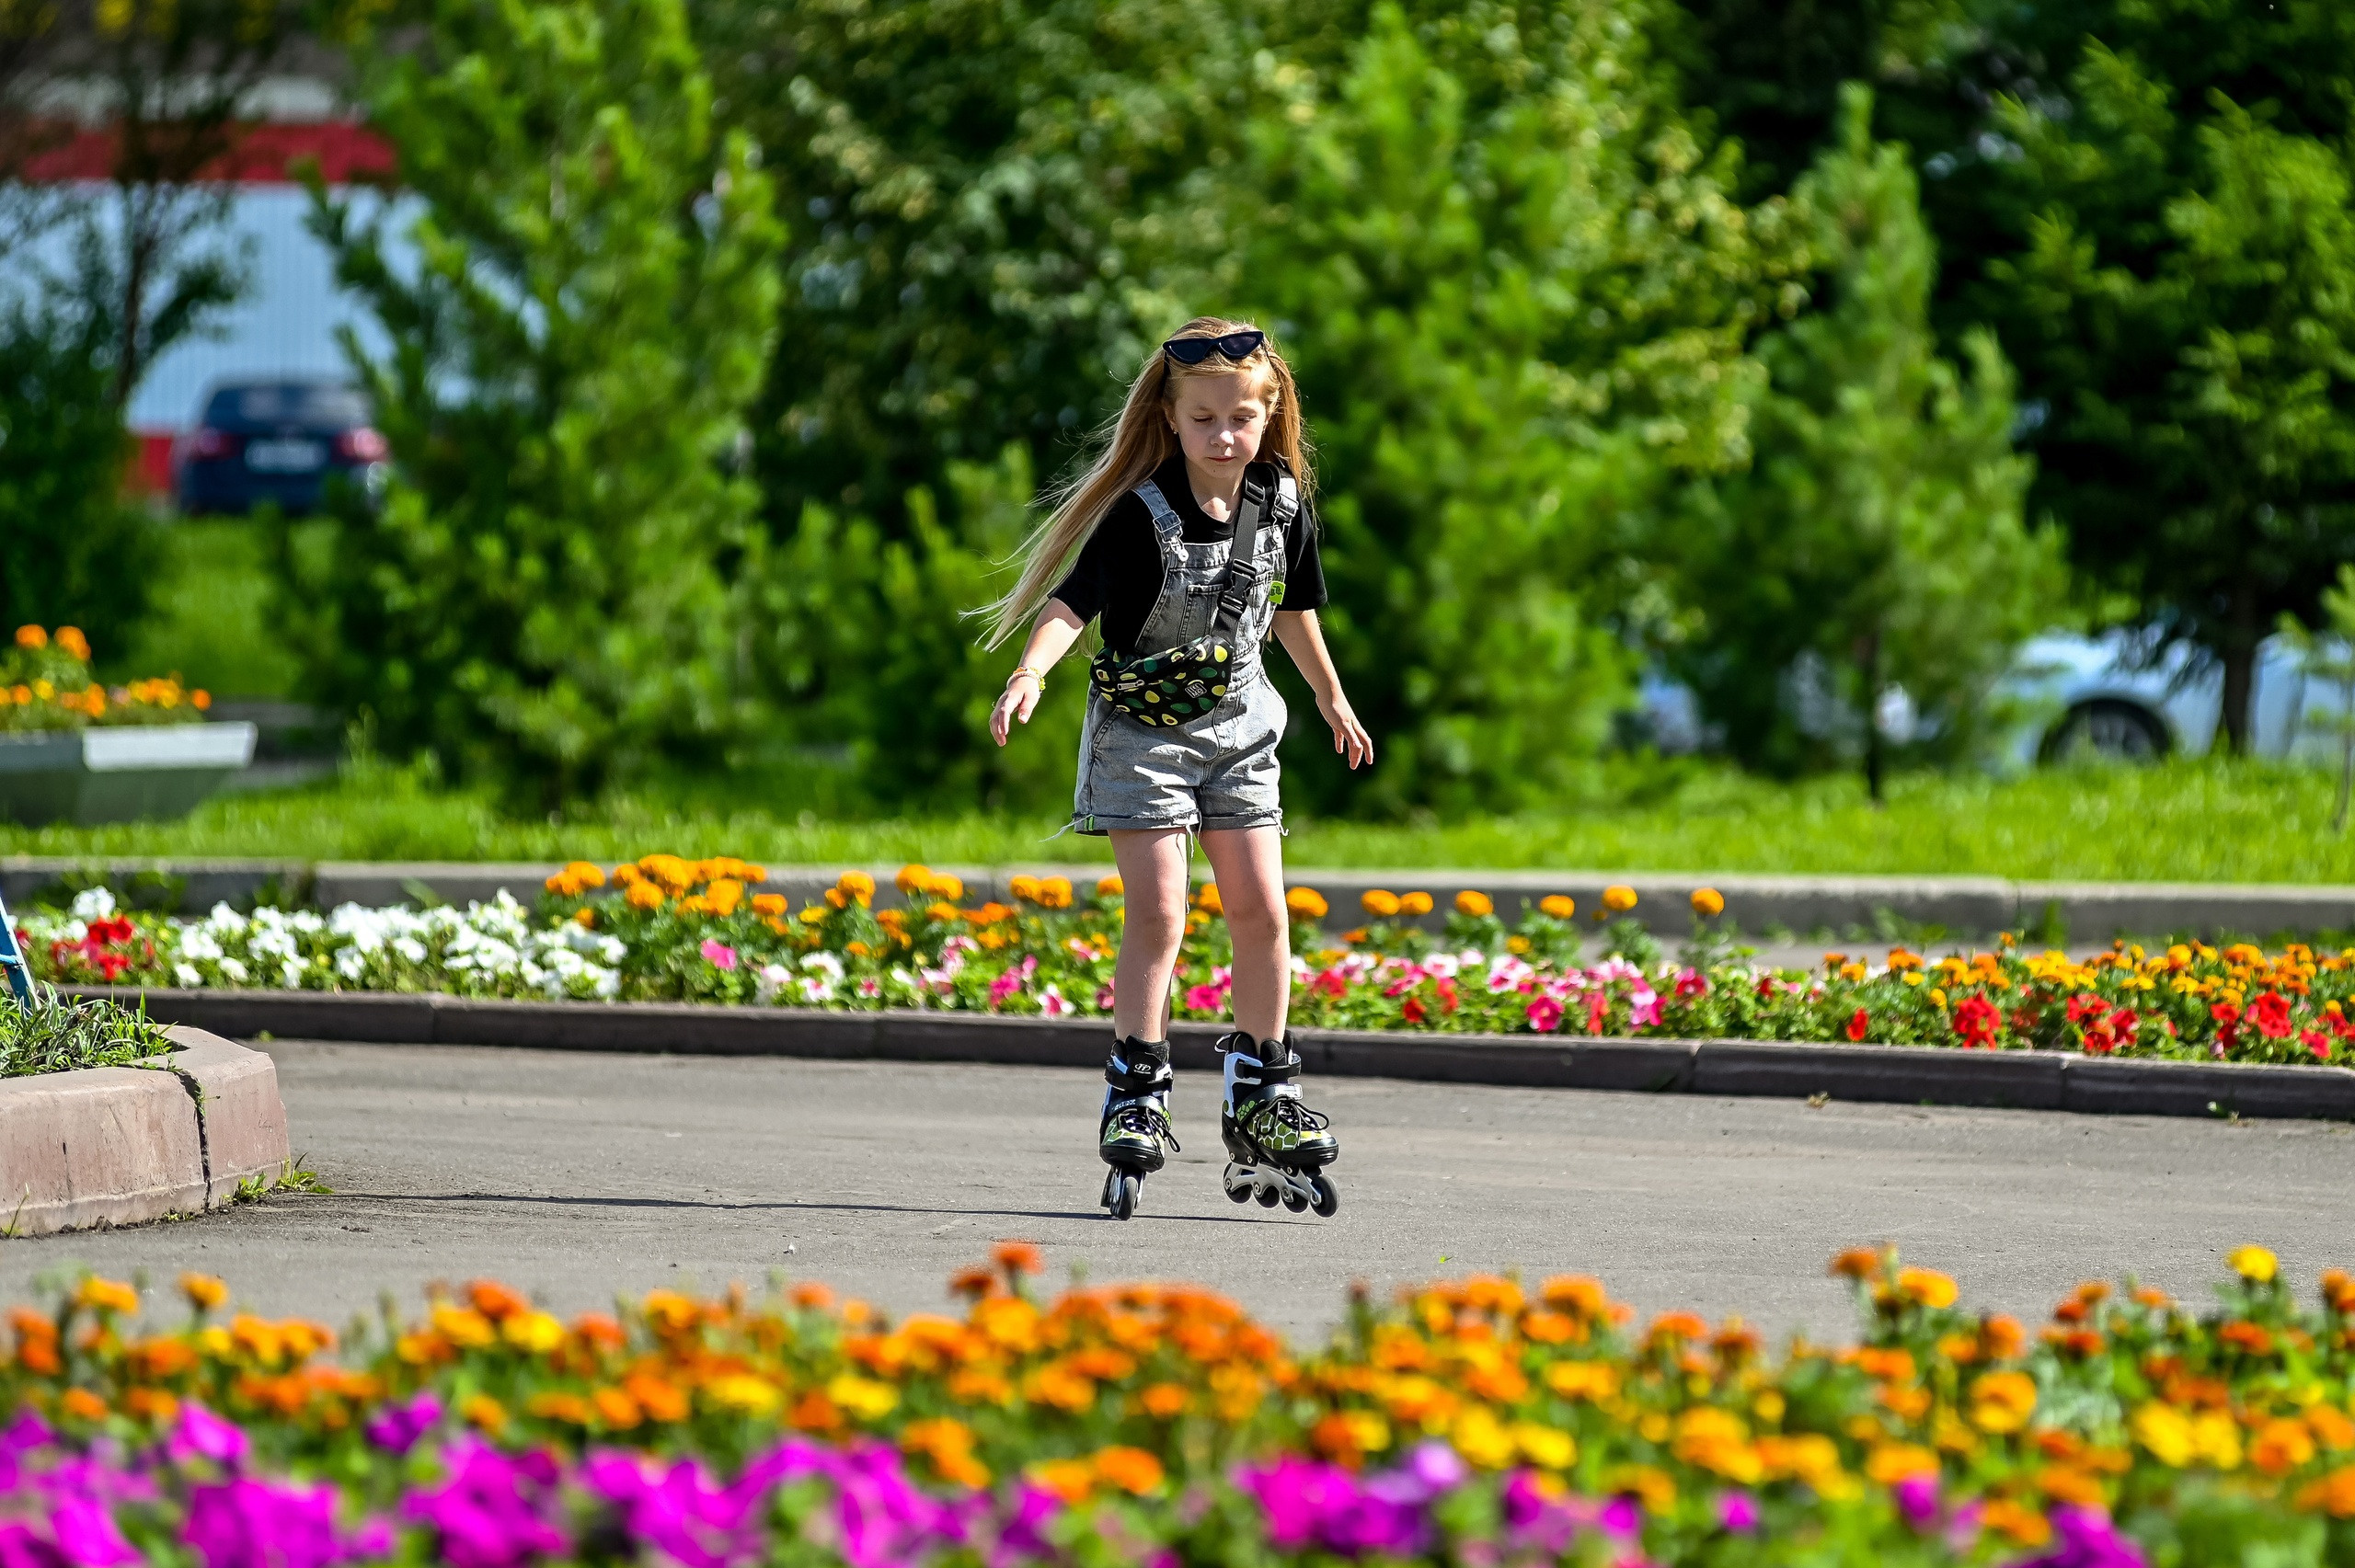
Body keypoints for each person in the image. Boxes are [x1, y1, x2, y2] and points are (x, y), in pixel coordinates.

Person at [982, 317, 1374, 1220]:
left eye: (1240, 417)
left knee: (1262, 907)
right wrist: (1030, 671)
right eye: (1202, 419)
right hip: (1142, 735)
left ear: (1269, 414)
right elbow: (1072, 602)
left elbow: (1294, 610)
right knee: (1160, 909)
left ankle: (1263, 1094)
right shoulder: (1138, 513)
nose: (1222, 435)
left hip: (1241, 722)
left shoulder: (1282, 506)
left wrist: (1330, 696)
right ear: (1169, 416)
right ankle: (1136, 1089)